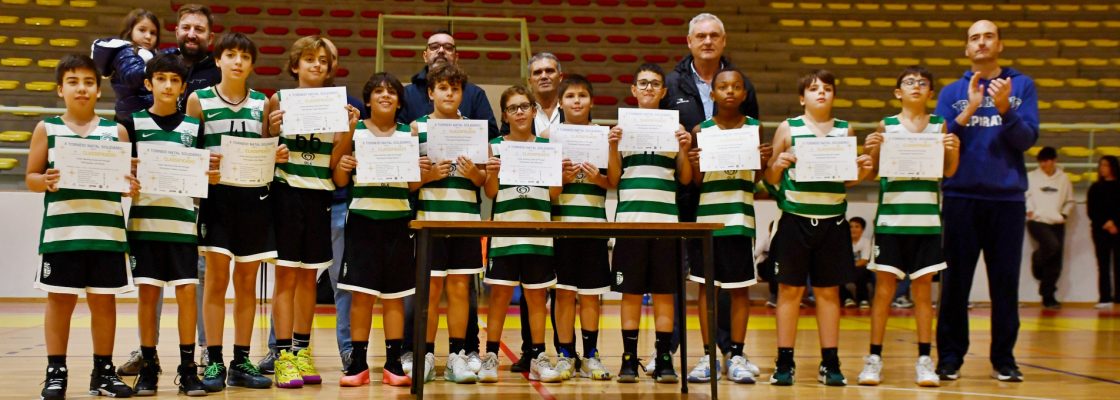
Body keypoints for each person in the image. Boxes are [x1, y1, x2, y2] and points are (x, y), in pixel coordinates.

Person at [29, 54, 140, 399]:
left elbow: (126, 181)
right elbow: (31, 176)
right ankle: (56, 371)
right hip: (62, 235)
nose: (81, 88)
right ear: (60, 89)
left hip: (106, 234)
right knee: (60, 302)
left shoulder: (115, 131)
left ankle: (103, 372)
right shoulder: (47, 128)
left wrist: (130, 186)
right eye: (73, 82)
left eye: (88, 82)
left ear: (98, 88)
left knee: (104, 303)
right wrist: (43, 179)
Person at [933, 20, 1039, 383]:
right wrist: (970, 109)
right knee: (955, 284)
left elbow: (1026, 141)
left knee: (1005, 283)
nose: (981, 42)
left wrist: (1005, 108)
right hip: (961, 196)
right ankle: (949, 358)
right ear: (966, 49)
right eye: (974, 38)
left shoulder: (1022, 86)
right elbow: (940, 139)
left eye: (988, 36)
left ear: (1000, 44)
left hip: (1007, 200)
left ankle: (1004, 359)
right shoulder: (950, 92)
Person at [186, 32, 288, 391]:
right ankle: (213, 360)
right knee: (215, 282)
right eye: (230, 54)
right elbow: (189, 155)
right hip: (217, 203)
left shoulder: (262, 103)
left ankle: (241, 359)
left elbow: (265, 150)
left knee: (246, 286)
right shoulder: (198, 101)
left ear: (252, 64)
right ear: (218, 60)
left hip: (254, 202)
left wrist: (274, 153)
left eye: (245, 56)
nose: (238, 61)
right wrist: (203, 168)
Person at [764, 69, 874, 387]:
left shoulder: (844, 129)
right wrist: (779, 165)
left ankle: (830, 362)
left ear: (834, 95)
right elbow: (770, 179)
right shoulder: (789, 127)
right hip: (794, 220)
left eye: (827, 88)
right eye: (814, 89)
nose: (821, 93)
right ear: (802, 98)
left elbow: (845, 178)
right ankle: (784, 362)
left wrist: (863, 172)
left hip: (833, 222)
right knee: (789, 292)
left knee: (829, 293)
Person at [661, 13, 760, 360]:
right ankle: (669, 349)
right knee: (679, 275)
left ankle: (728, 348)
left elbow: (752, 138)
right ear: (689, 42)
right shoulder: (670, 84)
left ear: (724, 40)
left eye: (713, 35)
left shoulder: (742, 83)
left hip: (727, 199)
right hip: (681, 193)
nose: (707, 41)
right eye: (700, 35)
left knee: (727, 280)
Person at [264, 35, 359, 389]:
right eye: (309, 59)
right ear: (295, 66)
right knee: (286, 278)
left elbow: (336, 174)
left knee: (308, 278)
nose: (317, 65)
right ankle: (283, 354)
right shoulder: (278, 100)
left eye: (323, 60)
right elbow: (263, 153)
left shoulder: (338, 106)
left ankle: (302, 351)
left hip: (319, 197)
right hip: (286, 195)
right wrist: (271, 138)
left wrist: (348, 131)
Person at [858, 66, 960, 388]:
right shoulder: (886, 125)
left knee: (922, 294)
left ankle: (924, 359)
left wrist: (952, 151)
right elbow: (872, 172)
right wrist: (870, 149)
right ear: (898, 92)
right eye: (909, 82)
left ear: (930, 93)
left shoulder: (938, 126)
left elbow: (949, 172)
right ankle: (874, 358)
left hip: (927, 221)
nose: (916, 86)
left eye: (922, 82)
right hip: (891, 220)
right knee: (884, 293)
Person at [121, 53, 217, 396]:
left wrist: (212, 172)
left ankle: (188, 367)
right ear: (149, 84)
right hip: (145, 225)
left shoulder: (193, 128)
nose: (168, 85)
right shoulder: (132, 125)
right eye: (161, 79)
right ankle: (148, 365)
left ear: (182, 86)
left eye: (175, 80)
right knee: (148, 295)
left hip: (182, 226)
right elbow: (123, 175)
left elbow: (208, 176)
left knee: (188, 294)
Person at [334, 72, 424, 387]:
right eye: (378, 91)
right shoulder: (356, 130)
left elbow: (413, 185)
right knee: (361, 295)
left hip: (398, 220)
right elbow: (340, 179)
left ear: (399, 101)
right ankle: (358, 362)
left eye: (391, 91)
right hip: (362, 220)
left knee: (395, 296)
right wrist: (344, 163)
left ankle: (393, 362)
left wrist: (420, 170)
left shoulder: (408, 133)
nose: (385, 95)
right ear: (368, 98)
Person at [684, 67, 769, 384]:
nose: (730, 91)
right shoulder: (700, 129)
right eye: (723, 86)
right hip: (709, 221)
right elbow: (697, 182)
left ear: (744, 94)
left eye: (736, 86)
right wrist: (694, 165)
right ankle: (707, 356)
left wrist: (764, 161)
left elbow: (756, 181)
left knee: (739, 291)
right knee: (706, 289)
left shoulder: (755, 129)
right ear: (713, 93)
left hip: (740, 219)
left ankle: (736, 354)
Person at [613, 63, 693, 384]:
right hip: (630, 224)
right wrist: (610, 145)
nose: (648, 88)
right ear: (633, 90)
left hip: (666, 225)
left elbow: (685, 178)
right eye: (642, 83)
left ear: (663, 91)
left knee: (664, 293)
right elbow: (614, 178)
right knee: (630, 293)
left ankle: (663, 359)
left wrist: (685, 148)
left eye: (654, 84)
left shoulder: (676, 129)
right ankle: (629, 359)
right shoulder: (621, 128)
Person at [481, 84, 565, 383]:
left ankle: (539, 356)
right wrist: (491, 171)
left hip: (538, 232)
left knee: (536, 296)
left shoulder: (546, 146)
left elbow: (554, 193)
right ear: (505, 114)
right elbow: (491, 192)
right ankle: (490, 355)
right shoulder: (495, 145)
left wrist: (558, 172)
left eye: (524, 106)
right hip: (505, 232)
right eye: (513, 108)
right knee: (500, 296)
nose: (519, 112)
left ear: (534, 110)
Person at [410, 63, 487, 383]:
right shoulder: (416, 128)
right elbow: (409, 183)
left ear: (462, 94)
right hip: (430, 220)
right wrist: (426, 175)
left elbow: (484, 180)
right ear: (431, 92)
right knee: (429, 291)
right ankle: (425, 354)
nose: (449, 94)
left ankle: (456, 356)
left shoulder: (474, 128)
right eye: (443, 88)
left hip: (465, 220)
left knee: (459, 290)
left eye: (455, 89)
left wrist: (474, 174)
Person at [547, 74, 617, 381]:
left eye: (583, 96)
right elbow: (545, 185)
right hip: (561, 225)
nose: (577, 101)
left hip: (593, 225)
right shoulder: (550, 135)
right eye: (571, 96)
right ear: (560, 102)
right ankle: (565, 355)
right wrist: (559, 177)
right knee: (563, 294)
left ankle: (590, 355)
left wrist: (597, 179)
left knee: (590, 294)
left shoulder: (602, 135)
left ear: (592, 101)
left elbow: (613, 181)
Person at [400, 29, 499, 138]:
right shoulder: (406, 93)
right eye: (434, 47)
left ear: (456, 57)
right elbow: (399, 137)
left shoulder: (475, 93)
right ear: (425, 56)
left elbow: (491, 135)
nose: (441, 50)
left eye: (448, 47)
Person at [91, 8, 160, 124]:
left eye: (153, 33)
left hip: (143, 117)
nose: (148, 36)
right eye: (142, 30)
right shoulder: (125, 52)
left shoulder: (151, 53)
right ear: (130, 30)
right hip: (130, 119)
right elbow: (131, 76)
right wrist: (157, 68)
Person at [1025, 146, 1074, 309]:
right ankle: (1037, 259)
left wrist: (1064, 214)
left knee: (1055, 261)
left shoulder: (1064, 178)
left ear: (1054, 161)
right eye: (1042, 161)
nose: (1045, 164)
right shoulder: (1031, 177)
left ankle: (1048, 295)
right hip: (1037, 220)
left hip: (1057, 221)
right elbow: (1025, 196)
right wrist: (1029, 210)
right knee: (1051, 246)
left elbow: (1070, 200)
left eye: (1047, 161)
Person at [1088, 156, 1120, 308]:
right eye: (1101, 165)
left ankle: (1118, 297)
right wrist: (1106, 223)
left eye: (1106, 165)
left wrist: (1115, 223)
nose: (1103, 168)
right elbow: (1092, 210)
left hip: (1118, 230)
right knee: (1103, 264)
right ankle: (1105, 297)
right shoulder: (1095, 188)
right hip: (1100, 231)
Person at [843, 217, 873, 309]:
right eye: (851, 227)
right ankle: (847, 298)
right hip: (846, 269)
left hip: (861, 270)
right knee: (836, 272)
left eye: (857, 227)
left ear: (862, 229)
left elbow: (864, 260)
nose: (853, 229)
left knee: (861, 270)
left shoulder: (866, 242)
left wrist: (850, 267)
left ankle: (863, 299)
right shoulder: (843, 242)